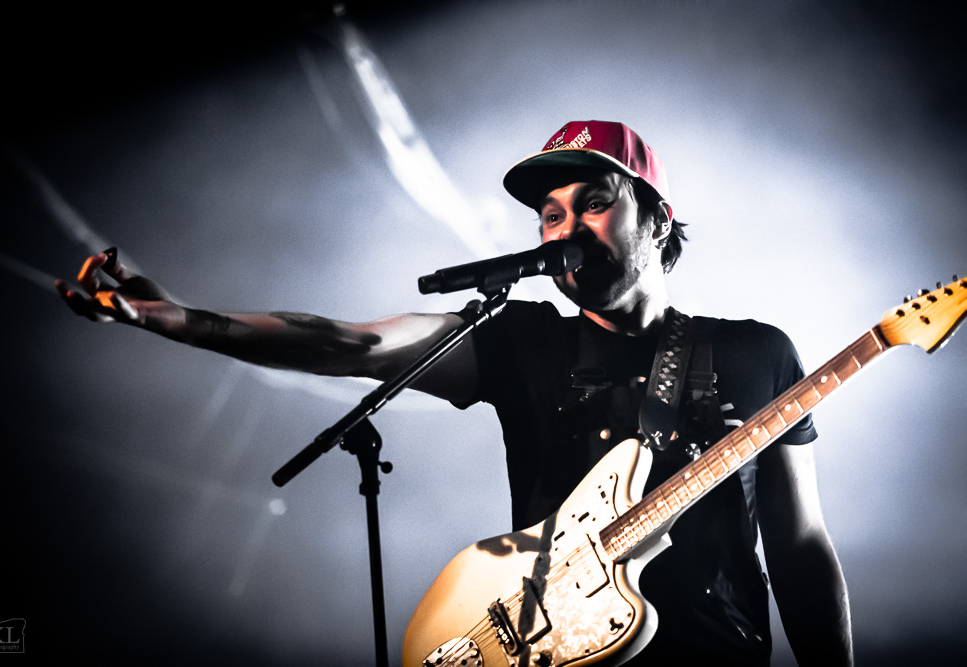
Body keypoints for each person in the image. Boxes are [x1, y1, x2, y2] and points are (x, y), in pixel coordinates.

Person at [57, 120, 853, 665]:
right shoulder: (522, 340)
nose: (566, 226)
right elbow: (350, 342)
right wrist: (179, 318)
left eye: (595, 201)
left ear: (658, 218)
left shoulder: (757, 352)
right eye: (550, 213)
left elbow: (801, 545)